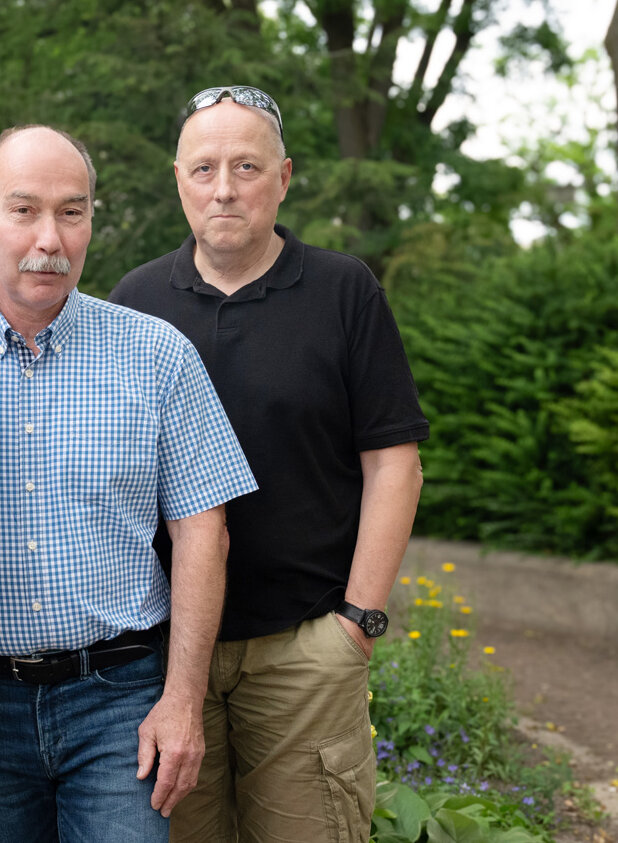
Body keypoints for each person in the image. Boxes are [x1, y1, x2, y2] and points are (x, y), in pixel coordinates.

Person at [109, 86, 428, 842]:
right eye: (205, 168)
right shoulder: (134, 304)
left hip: (305, 649)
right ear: (178, 180)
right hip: (164, 658)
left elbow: (395, 463)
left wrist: (357, 621)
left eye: (246, 166)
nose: (224, 188)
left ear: (283, 178)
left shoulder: (343, 290)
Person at [0, 124, 258, 843]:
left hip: (121, 700)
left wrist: (182, 700)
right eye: (25, 210)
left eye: (72, 212)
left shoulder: (157, 355)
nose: (51, 237)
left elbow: (204, 531)